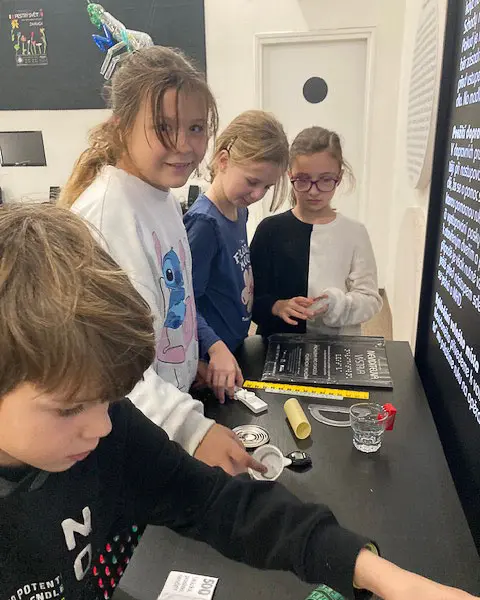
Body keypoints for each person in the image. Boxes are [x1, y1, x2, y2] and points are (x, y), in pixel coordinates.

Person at [2, 203, 480, 600]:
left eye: (110, 398)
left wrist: (383, 576)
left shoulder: (112, 432)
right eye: (68, 408)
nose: (102, 427)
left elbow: (219, 503)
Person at [59, 46, 259, 475]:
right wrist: (191, 428)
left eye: (196, 128)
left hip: (165, 415)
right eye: (164, 127)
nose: (185, 146)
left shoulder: (162, 197)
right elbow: (107, 364)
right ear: (121, 127)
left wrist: (188, 364)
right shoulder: (107, 214)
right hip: (127, 436)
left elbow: (170, 308)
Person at [184, 111, 288, 402]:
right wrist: (213, 348)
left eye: (266, 187)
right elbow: (184, 303)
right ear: (223, 161)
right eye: (252, 181)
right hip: (211, 359)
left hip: (233, 346)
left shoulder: (239, 210)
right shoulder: (205, 223)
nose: (257, 194)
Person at [251, 126, 382, 339]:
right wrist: (277, 306)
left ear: (339, 177)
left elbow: (370, 300)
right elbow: (251, 298)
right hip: (280, 343)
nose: (313, 191)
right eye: (303, 180)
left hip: (337, 345)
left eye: (325, 180)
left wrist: (337, 304)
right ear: (290, 175)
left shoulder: (354, 233)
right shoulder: (269, 230)